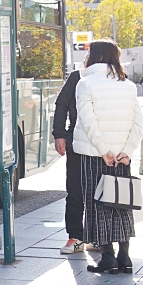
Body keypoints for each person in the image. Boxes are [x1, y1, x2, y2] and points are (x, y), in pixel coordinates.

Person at [73, 39, 143, 274]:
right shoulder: (128, 85)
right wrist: (128, 150)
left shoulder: (86, 83)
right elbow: (138, 122)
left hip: (96, 154)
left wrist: (103, 149)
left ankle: (107, 258)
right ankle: (125, 257)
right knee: (121, 202)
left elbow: (87, 119)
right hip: (122, 156)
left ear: (95, 56)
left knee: (97, 204)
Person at [53, 67, 93, 254]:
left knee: (101, 192)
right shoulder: (77, 77)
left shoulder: (115, 77)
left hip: (105, 145)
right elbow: (61, 104)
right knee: (75, 189)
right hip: (76, 141)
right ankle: (76, 236)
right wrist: (59, 134)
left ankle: (98, 238)